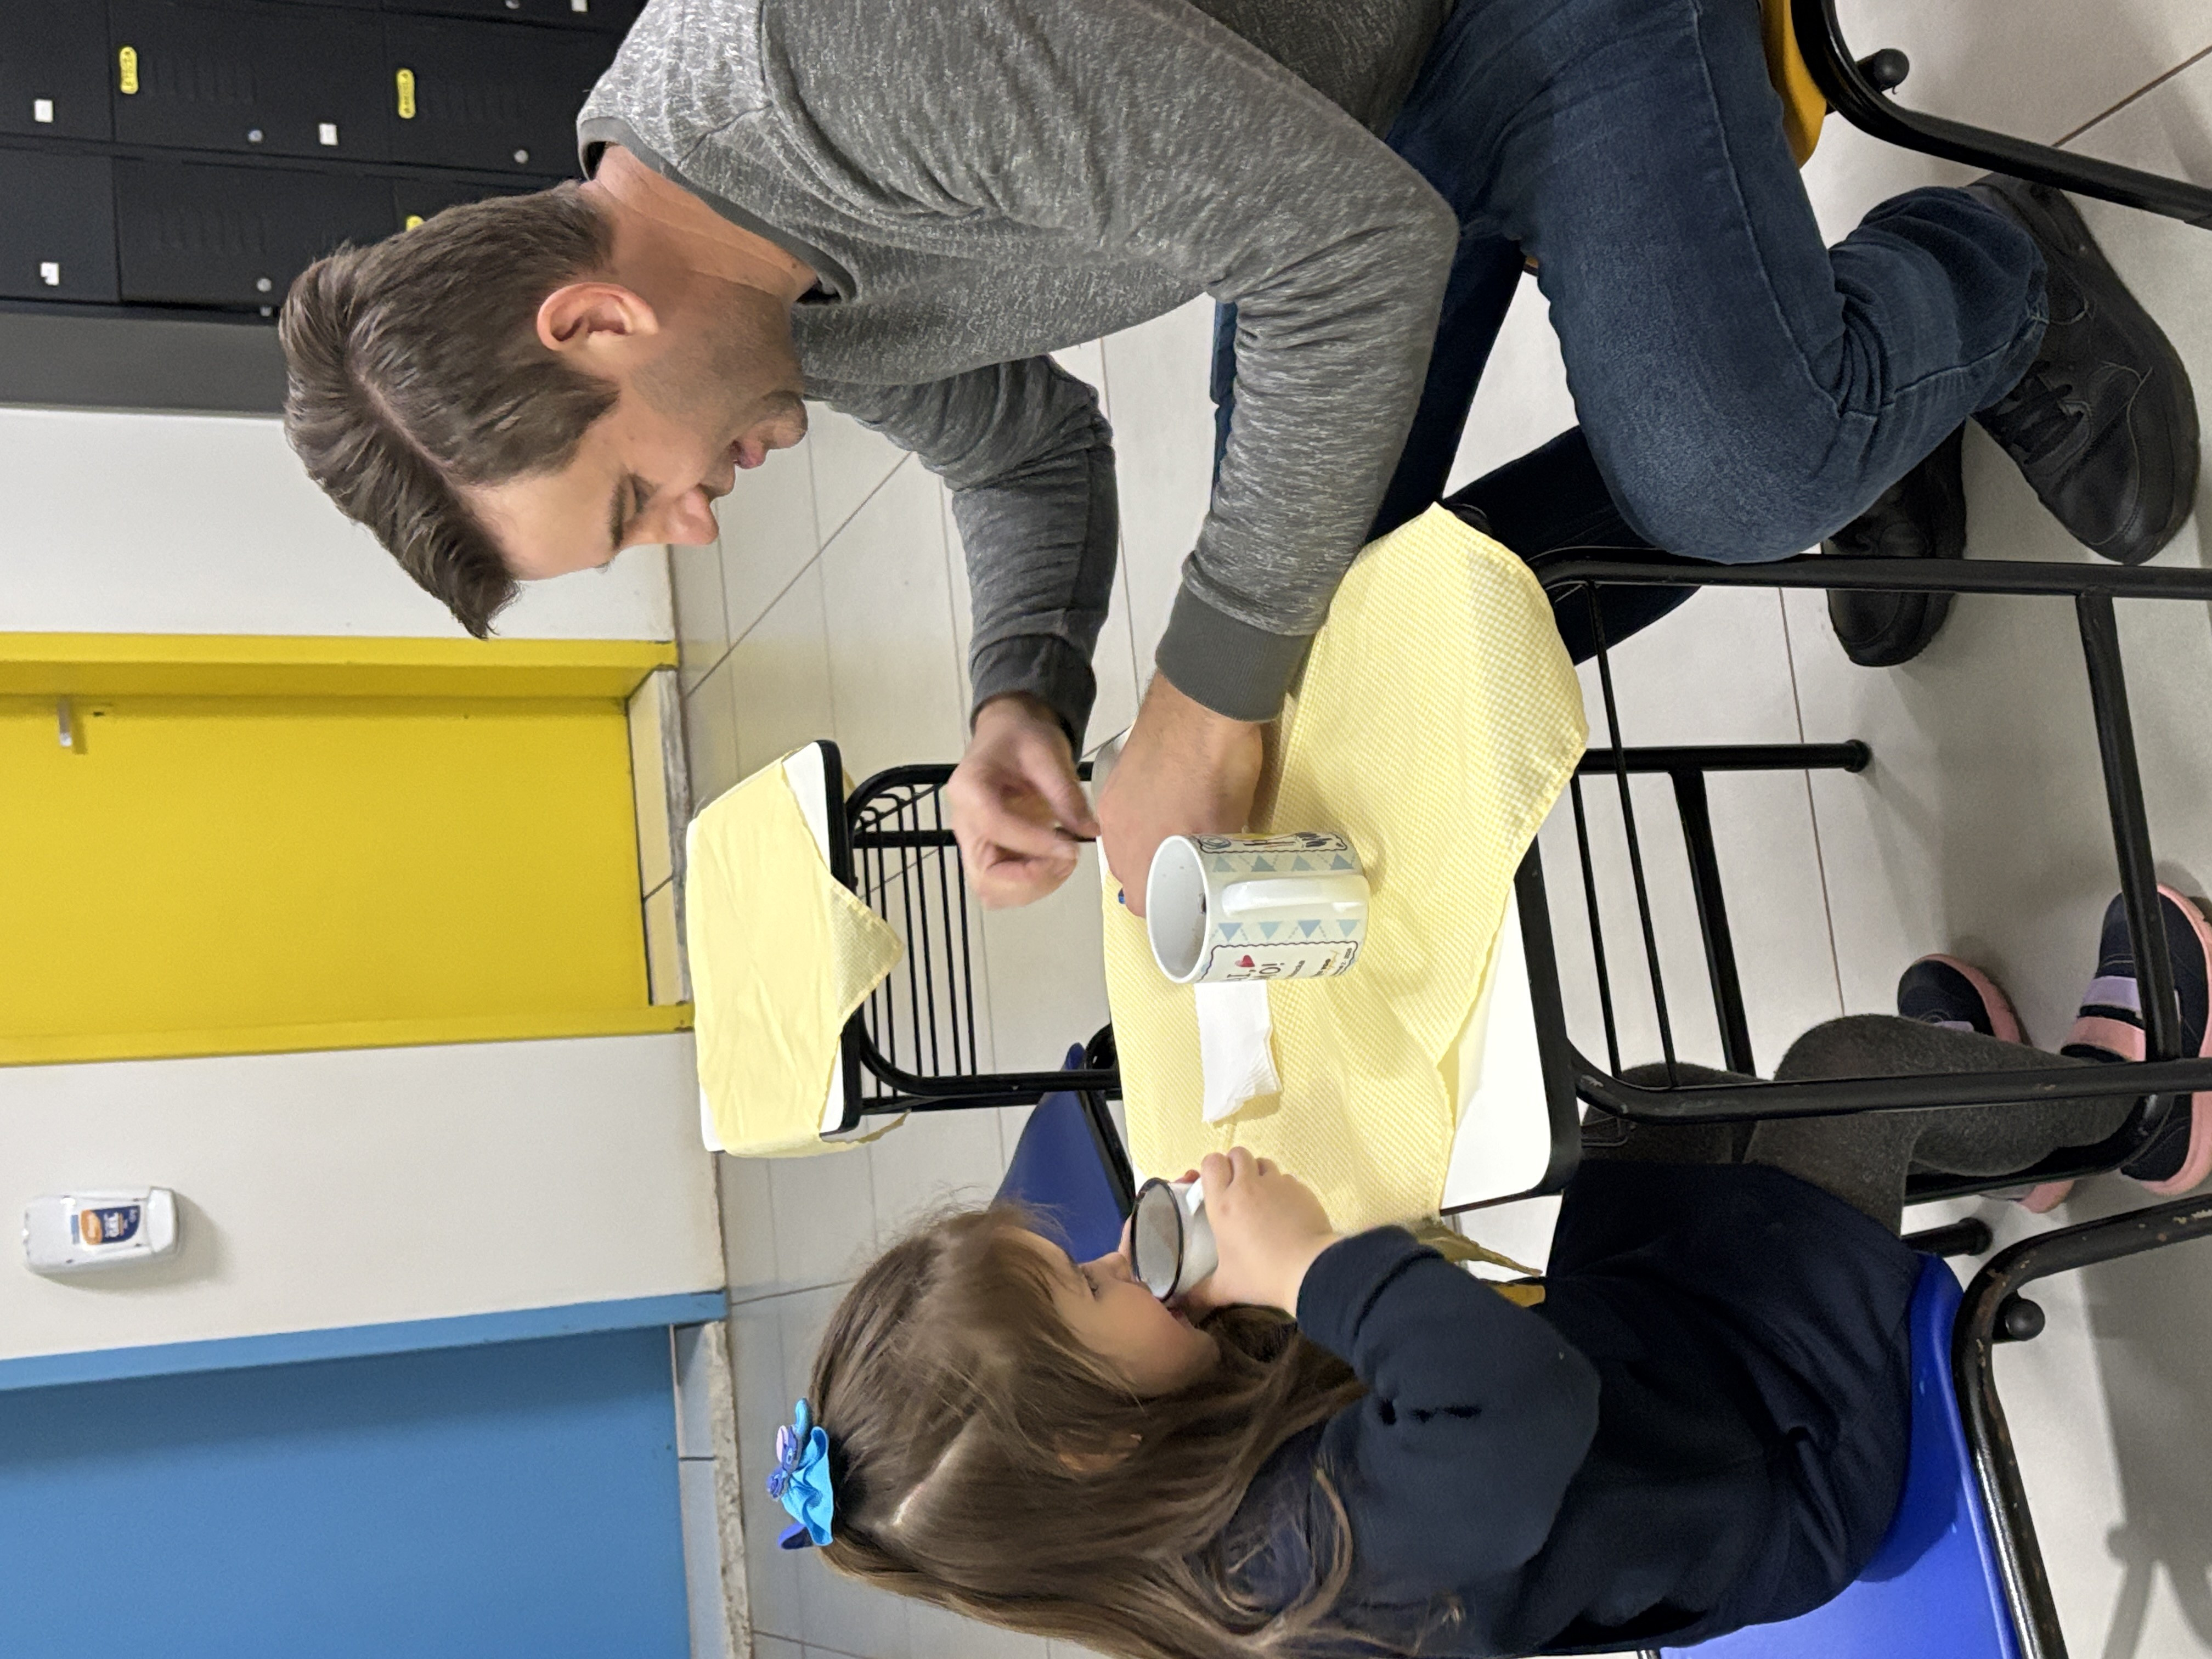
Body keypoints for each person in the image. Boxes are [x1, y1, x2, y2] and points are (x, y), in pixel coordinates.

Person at [276, 0, 2196, 919]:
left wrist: (1198, 708)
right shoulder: (748, 305)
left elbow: (1349, 257)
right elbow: (1026, 453)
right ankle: (1840, 399)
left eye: (637, 499)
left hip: (1506, 26)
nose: (697, 525)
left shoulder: (825, 66)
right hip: (1345, 107)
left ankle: (1989, 281)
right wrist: (1019, 693)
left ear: (592, 325)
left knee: (1706, 485)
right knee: (1339, 638)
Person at [775, 887, 2209, 1656]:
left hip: (1648, 1367)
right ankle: (2126, 1110)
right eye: (1097, 1285)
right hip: (1781, 1457)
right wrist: (1314, 1270)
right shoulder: (1310, 1575)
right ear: (1089, 1445)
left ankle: (1975, 1118)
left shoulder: (1177, 1453)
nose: (1117, 1257)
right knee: (1845, 1076)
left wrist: (1268, 1280)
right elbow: (1508, 1406)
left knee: (1649, 1107)